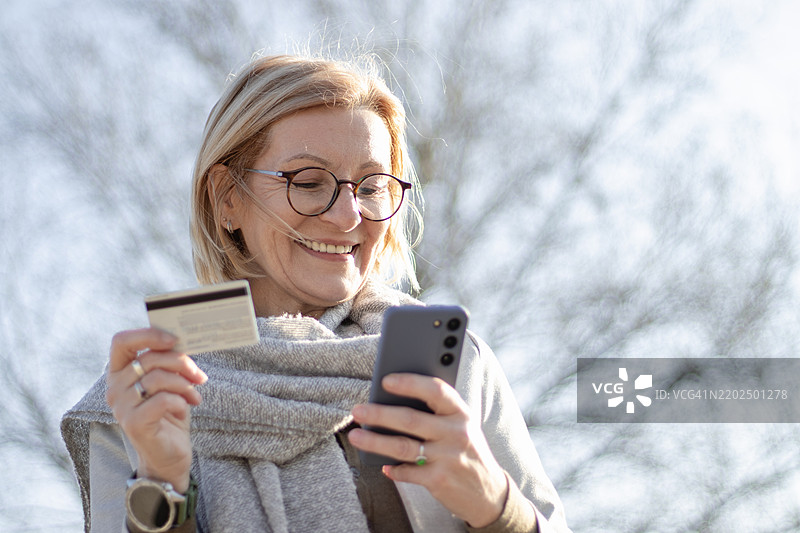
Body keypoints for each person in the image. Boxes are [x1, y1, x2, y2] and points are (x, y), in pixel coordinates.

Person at [61, 52, 571, 533]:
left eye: (371, 187)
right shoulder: (147, 391)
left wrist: (495, 504)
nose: (349, 216)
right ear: (226, 199)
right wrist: (161, 482)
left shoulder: (447, 365)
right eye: (307, 182)